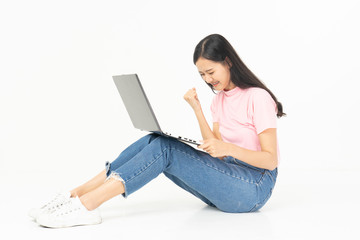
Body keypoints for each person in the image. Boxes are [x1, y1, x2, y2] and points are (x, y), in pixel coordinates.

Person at [29, 34, 285, 228]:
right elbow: (215, 149)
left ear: (228, 62)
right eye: (202, 74)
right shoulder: (218, 100)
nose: (208, 79)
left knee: (165, 150)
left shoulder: (257, 97)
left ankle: (86, 206)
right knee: (155, 139)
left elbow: (270, 160)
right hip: (228, 177)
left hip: (254, 187)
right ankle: (76, 194)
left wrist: (228, 148)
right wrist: (197, 108)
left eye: (211, 72)